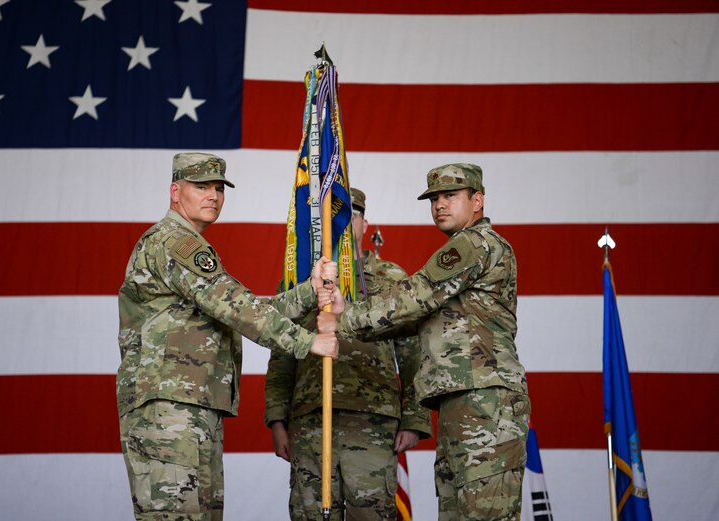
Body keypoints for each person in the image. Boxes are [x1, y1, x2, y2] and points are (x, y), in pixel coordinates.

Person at [116, 152, 339, 521]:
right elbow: (235, 306)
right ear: (175, 191)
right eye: (201, 187)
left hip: (190, 405)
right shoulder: (175, 243)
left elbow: (236, 307)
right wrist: (306, 342)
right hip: (169, 408)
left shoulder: (186, 245)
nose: (213, 196)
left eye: (219, 188)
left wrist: (309, 292)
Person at [319, 164, 530, 521]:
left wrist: (341, 320)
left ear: (477, 200)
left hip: (485, 400)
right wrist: (346, 317)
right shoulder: (467, 252)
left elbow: (415, 296)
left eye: (450, 196)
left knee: (484, 513)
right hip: (462, 401)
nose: (439, 205)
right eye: (434, 198)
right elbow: (416, 318)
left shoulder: (474, 244)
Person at [265, 187, 433, 521]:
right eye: (332, 216)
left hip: (373, 420)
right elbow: (282, 352)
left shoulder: (392, 278)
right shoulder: (302, 281)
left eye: (349, 214)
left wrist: (415, 418)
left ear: (364, 223)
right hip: (311, 420)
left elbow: (414, 352)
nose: (341, 223)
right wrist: (277, 420)